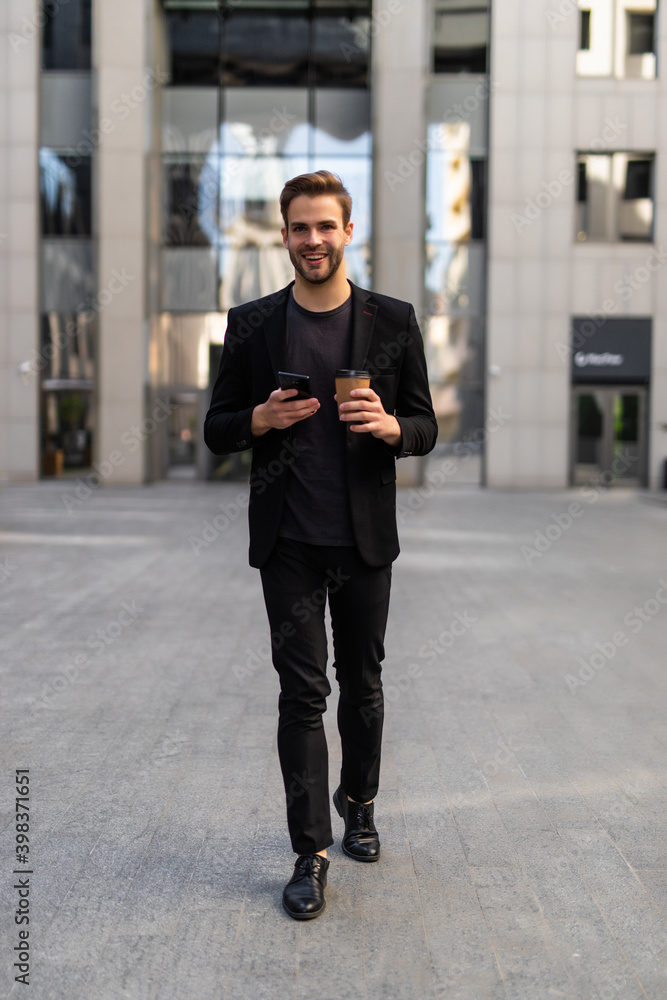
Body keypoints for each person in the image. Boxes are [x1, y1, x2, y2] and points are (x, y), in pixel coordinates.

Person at [204, 170, 437, 920]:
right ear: (283, 236)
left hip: (364, 540)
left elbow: (426, 423)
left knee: (362, 686)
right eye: (299, 228)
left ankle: (359, 802)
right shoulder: (249, 322)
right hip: (289, 546)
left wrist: (395, 429)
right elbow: (215, 426)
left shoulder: (393, 320)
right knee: (302, 696)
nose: (312, 240)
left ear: (347, 231)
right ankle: (309, 853)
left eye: (325, 227)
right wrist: (258, 422)